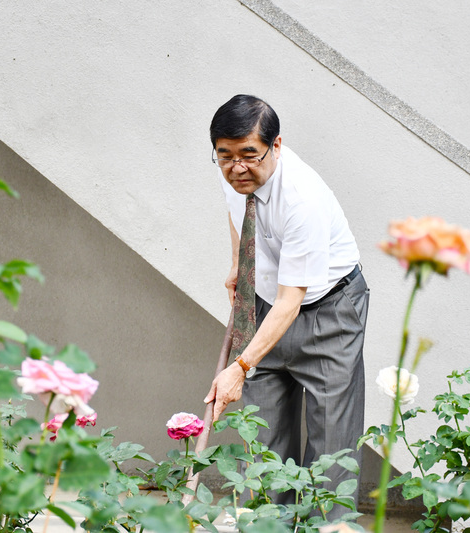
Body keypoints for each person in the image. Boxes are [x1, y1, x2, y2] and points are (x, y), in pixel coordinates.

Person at [204, 94, 369, 515]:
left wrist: (239, 368)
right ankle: (268, 524)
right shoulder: (234, 173)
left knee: (331, 450)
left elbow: (291, 301)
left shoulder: (302, 197)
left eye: (249, 155)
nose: (236, 168)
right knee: (263, 438)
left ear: (275, 146)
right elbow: (236, 211)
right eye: (225, 156)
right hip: (270, 304)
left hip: (328, 311)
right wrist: (239, 264)